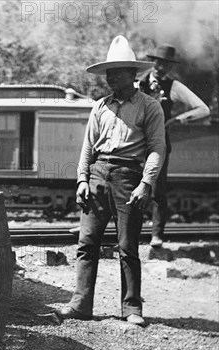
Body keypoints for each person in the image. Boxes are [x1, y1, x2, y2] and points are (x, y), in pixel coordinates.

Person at [54, 36, 166, 327]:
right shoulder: (100, 107)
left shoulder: (149, 106)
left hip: (129, 177)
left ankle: (131, 308)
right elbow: (88, 148)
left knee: (127, 246)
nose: (111, 77)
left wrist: (146, 183)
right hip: (97, 176)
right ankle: (80, 304)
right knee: (86, 243)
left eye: (117, 71)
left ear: (133, 74)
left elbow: (157, 148)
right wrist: (82, 180)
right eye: (109, 72)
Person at [139, 44, 211, 247]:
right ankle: (129, 234)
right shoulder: (138, 83)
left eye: (166, 65)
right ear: (153, 62)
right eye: (158, 62)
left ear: (170, 67)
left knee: (157, 190)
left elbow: (203, 109)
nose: (160, 68)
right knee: (129, 187)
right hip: (134, 144)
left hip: (159, 144)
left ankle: (156, 236)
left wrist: (178, 120)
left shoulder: (174, 86)